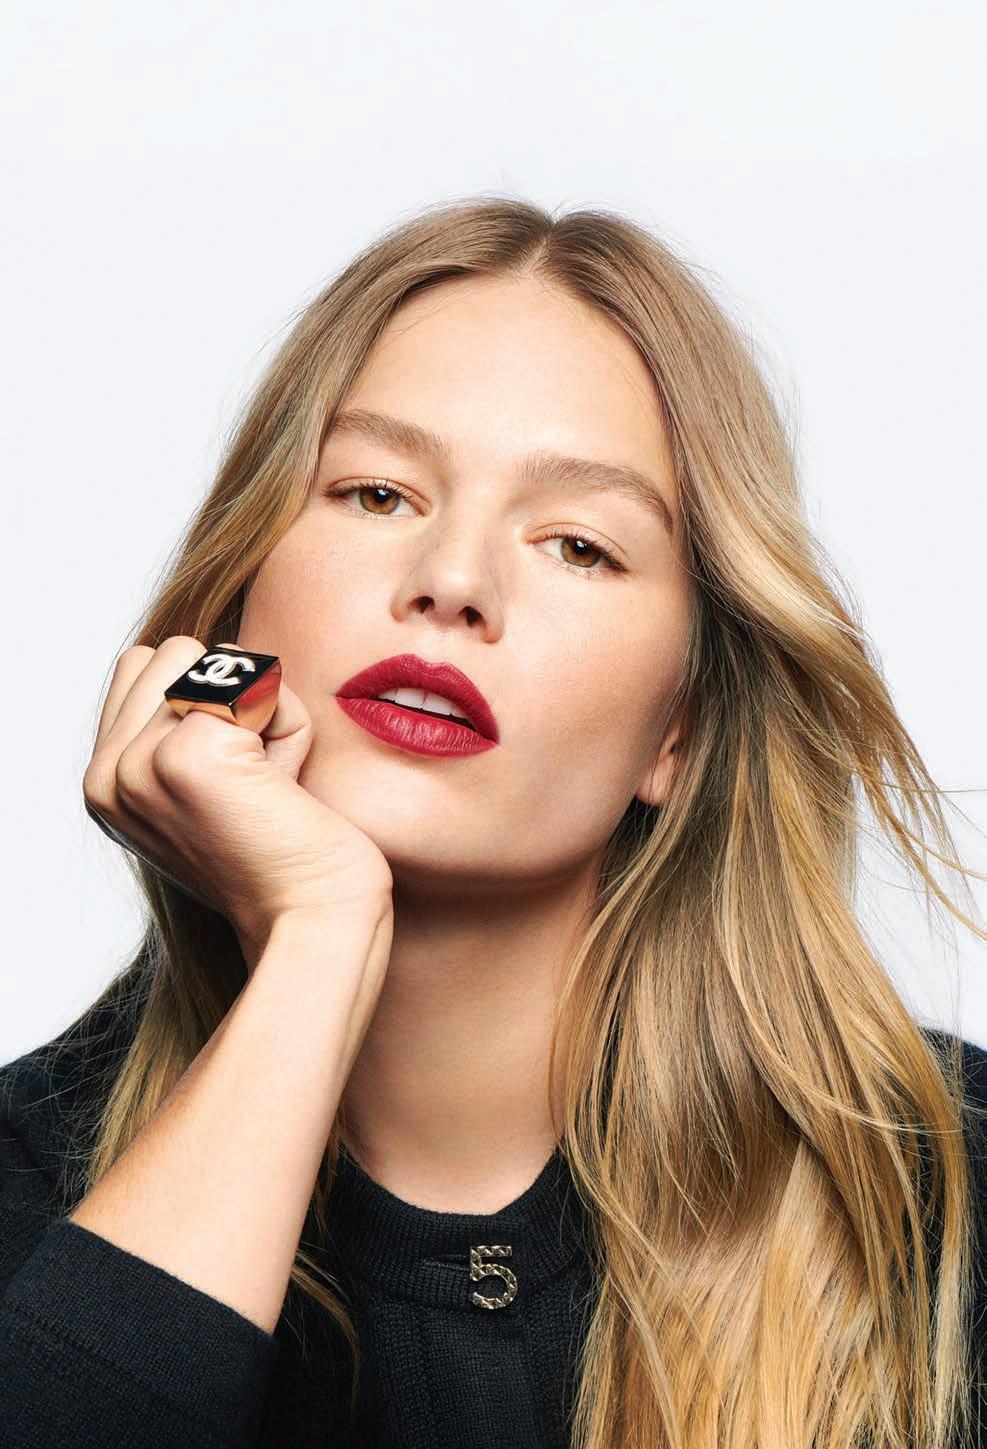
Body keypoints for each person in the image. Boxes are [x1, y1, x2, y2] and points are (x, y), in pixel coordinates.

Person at [1, 196, 984, 1449]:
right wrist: (316, 939)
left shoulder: (942, 1195)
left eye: (579, 545)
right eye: (376, 494)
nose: (453, 582)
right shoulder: (33, 1183)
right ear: (237, 611)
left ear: (679, 734)